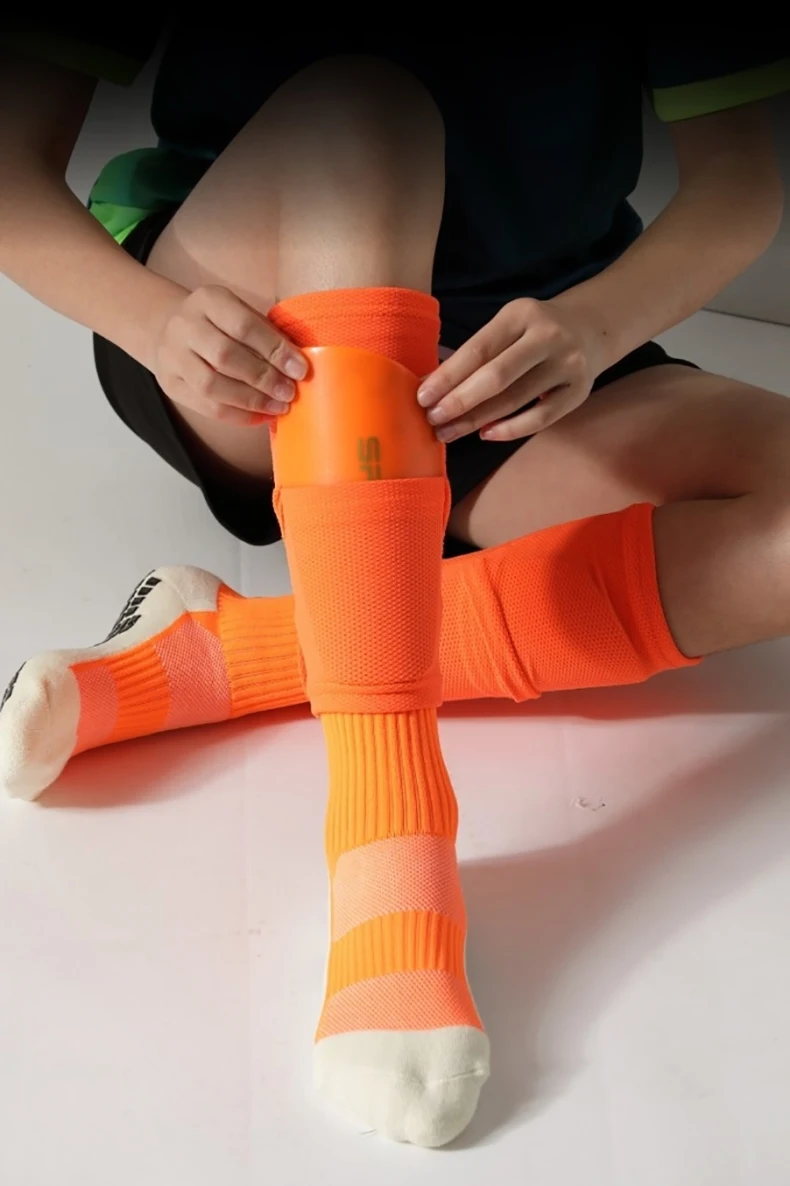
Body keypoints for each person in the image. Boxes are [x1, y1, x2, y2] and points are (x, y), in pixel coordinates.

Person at [1, 26, 789, 1147]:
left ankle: (230, 652)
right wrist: (151, 320)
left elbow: (741, 182)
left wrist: (596, 325)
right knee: (361, 108)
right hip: (254, 338)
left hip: (511, 370)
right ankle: (389, 841)